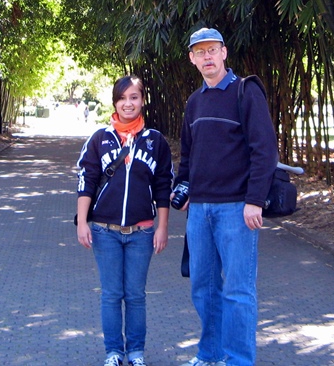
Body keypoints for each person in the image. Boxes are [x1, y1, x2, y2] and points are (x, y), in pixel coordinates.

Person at [173, 27, 278, 366]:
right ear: (192, 59)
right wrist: (182, 186)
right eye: (199, 51)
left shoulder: (245, 93)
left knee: (237, 292)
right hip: (200, 211)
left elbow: (265, 151)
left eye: (212, 50)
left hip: (236, 208)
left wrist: (255, 200)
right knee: (203, 290)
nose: (206, 57)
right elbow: (188, 157)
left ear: (224, 53)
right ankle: (209, 354)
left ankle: (238, 361)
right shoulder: (193, 102)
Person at [76, 75, 173, 366]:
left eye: (134, 97)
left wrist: (163, 227)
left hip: (141, 232)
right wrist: (82, 222)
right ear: (115, 102)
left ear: (143, 100)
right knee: (110, 294)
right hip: (104, 231)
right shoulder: (99, 139)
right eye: (123, 98)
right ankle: (114, 353)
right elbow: (87, 181)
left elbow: (163, 187)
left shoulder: (155, 141)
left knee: (135, 295)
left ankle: (137, 353)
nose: (128, 103)